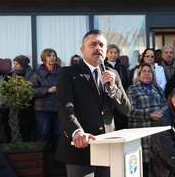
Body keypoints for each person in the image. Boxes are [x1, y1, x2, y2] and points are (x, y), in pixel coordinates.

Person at [56, 29, 131, 177]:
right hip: (80, 147)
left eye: (101, 45)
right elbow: (65, 107)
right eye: (93, 44)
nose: (98, 48)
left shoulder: (113, 74)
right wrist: (77, 132)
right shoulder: (68, 73)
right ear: (82, 49)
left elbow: (127, 109)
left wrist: (114, 90)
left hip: (108, 147)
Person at [127, 63, 168, 177]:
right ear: (138, 75)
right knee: (143, 167)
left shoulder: (158, 88)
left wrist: (161, 113)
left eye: (149, 71)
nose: (147, 74)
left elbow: (165, 105)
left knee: (158, 166)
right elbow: (130, 111)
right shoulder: (132, 89)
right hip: (141, 133)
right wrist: (149, 115)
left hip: (157, 132)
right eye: (144, 71)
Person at [30, 49, 61, 146]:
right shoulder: (37, 73)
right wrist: (47, 90)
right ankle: (42, 159)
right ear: (44, 58)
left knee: (59, 134)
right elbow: (30, 90)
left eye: (54, 55)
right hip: (43, 108)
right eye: (49, 56)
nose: (52, 58)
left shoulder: (62, 71)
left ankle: (59, 159)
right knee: (43, 134)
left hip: (58, 107)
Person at [104, 44, 130, 130]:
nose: (113, 54)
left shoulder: (123, 67)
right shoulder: (102, 67)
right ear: (106, 54)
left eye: (115, 52)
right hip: (108, 102)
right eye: (111, 52)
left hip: (120, 98)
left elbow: (127, 83)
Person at [12, 55, 36, 141]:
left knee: (29, 127)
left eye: (16, 64)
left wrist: (23, 88)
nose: (14, 66)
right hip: (16, 106)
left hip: (30, 105)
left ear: (22, 64)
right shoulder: (12, 74)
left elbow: (33, 86)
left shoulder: (33, 74)